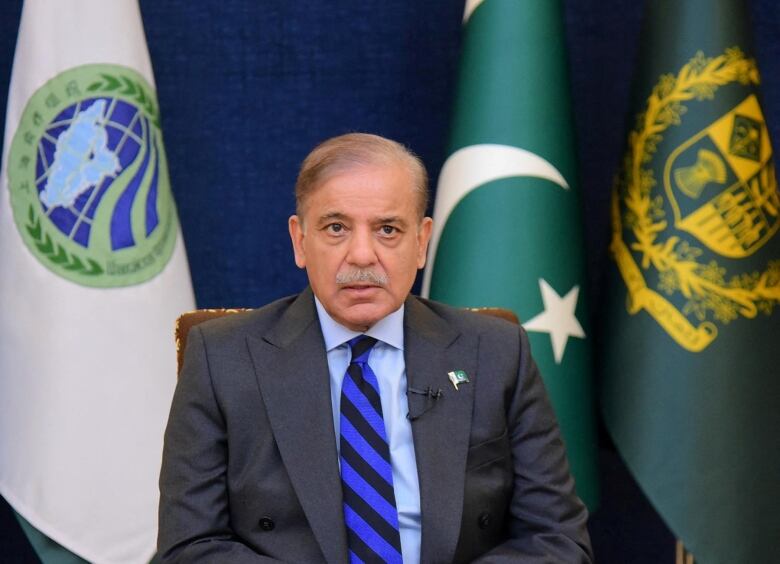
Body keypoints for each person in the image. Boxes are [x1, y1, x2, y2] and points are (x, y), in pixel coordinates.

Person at [158, 133, 593, 563]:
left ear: (421, 242)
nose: (362, 255)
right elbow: (190, 546)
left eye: (387, 229)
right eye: (336, 228)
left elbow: (556, 538)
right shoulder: (223, 359)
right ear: (299, 240)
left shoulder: (495, 353)